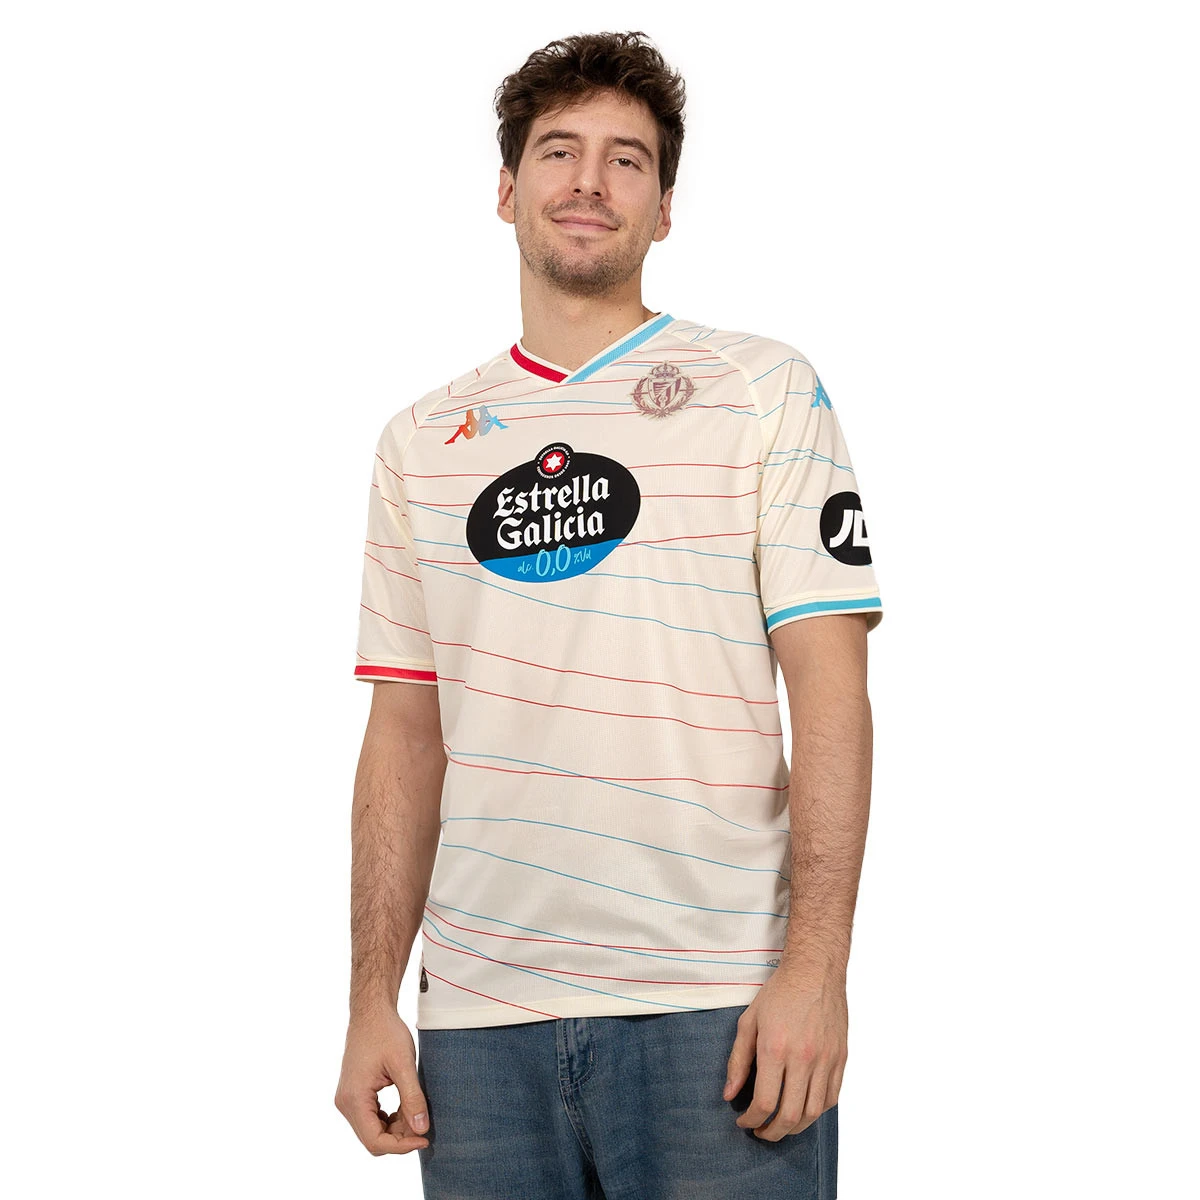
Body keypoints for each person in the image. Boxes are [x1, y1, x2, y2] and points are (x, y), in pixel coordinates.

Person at [334, 30, 883, 1200]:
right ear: (506, 188)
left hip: (718, 1011)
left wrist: (816, 971)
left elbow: (832, 692)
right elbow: (403, 735)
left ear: (664, 207)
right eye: (559, 151)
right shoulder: (419, 443)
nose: (589, 182)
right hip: (478, 1032)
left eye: (626, 160)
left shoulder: (762, 390)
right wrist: (371, 998)